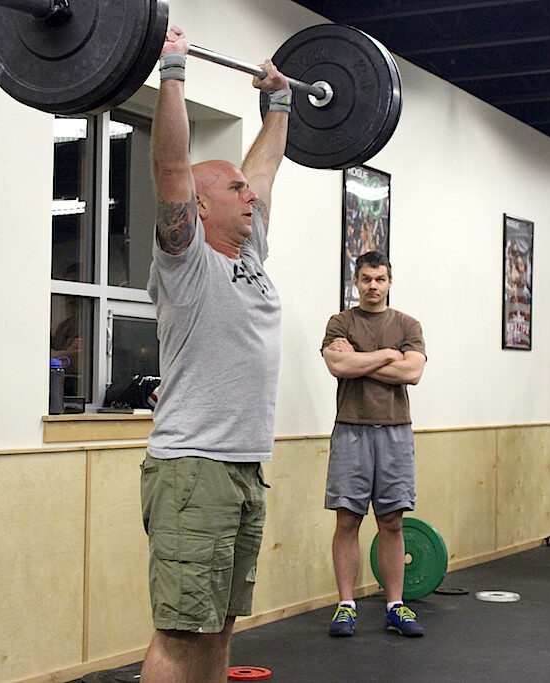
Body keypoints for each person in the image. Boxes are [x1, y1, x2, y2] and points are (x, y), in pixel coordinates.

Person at [139, 25, 290, 682]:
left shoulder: (249, 256)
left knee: (221, 625)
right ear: (198, 206)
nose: (247, 194)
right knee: (180, 632)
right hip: (194, 464)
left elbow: (264, 168)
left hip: (243, 469)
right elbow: (170, 168)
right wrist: (172, 71)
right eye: (232, 190)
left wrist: (278, 104)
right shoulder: (186, 260)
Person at [320, 250, 427, 638]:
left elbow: (412, 372)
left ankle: (395, 606)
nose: (372, 286)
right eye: (366, 279)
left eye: (379, 279)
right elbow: (338, 366)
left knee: (392, 521)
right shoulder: (340, 322)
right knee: (347, 519)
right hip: (351, 429)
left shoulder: (408, 324)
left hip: (395, 431)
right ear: (357, 282)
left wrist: (361, 359)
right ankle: (346, 606)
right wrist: (385, 356)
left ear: (389, 282)